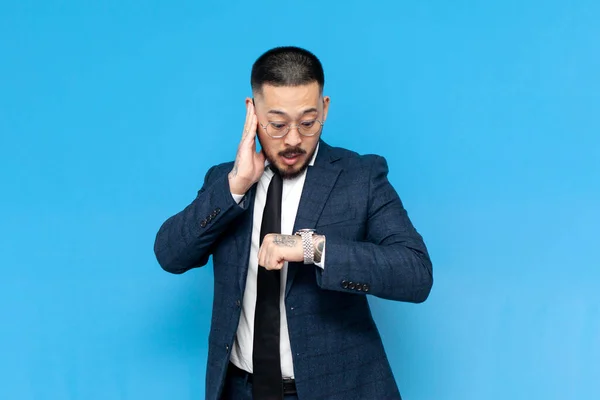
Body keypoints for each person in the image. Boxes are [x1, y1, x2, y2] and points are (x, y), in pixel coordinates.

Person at [153, 46, 433, 400]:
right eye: (277, 124)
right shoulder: (224, 182)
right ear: (252, 112)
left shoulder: (360, 177)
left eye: (307, 122)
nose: (293, 140)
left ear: (325, 109)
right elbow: (169, 254)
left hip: (337, 390)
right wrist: (235, 187)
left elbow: (416, 274)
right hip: (240, 389)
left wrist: (310, 248)